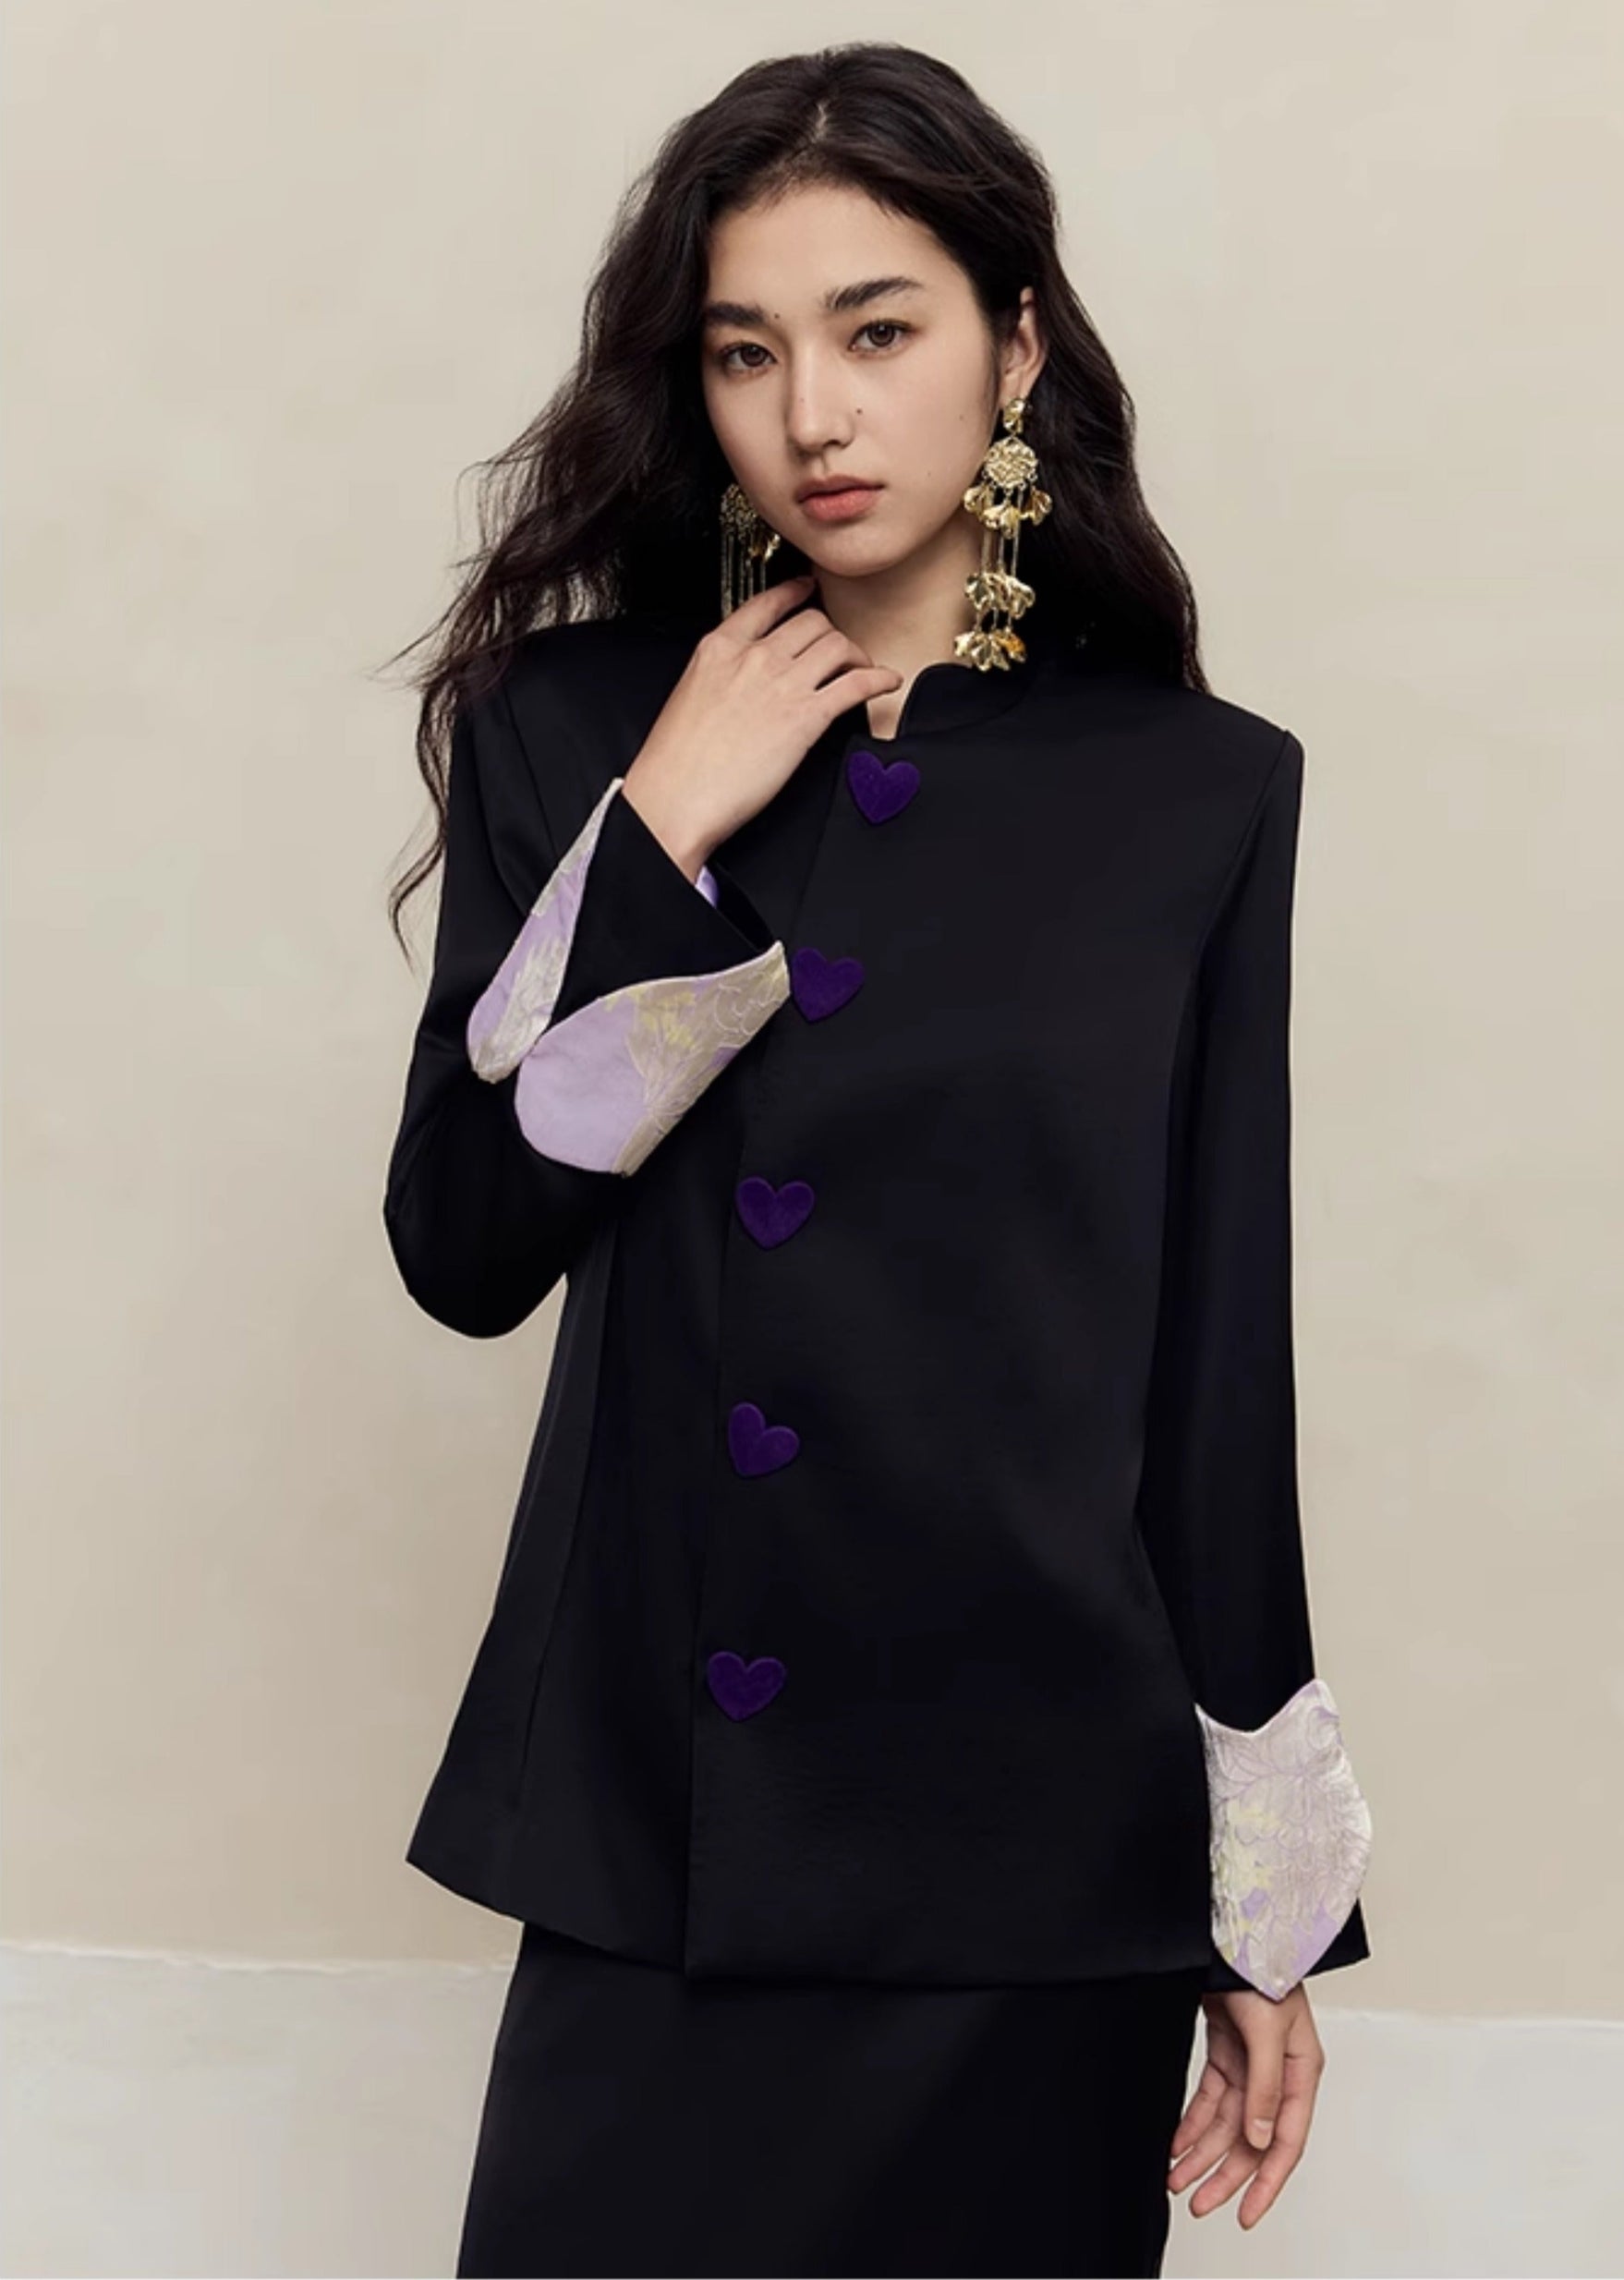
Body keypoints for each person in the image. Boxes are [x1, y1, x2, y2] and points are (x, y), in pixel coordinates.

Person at [382, 39, 1374, 2280]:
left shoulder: (1193, 792)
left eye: (876, 331)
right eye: (745, 352)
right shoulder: (580, 731)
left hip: (1040, 1849)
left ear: (1012, 351)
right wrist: (659, 830)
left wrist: (1268, 1903)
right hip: (662, 1825)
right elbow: (461, 1241)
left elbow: (1215, 1366)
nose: (812, 414)